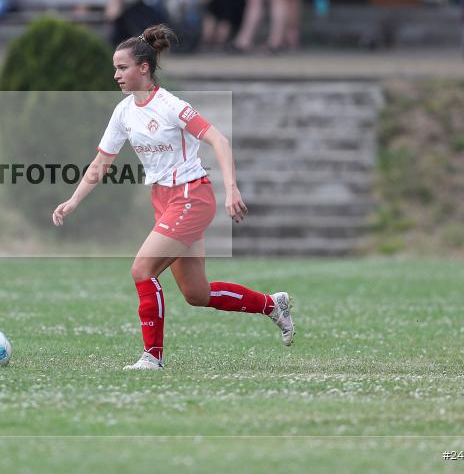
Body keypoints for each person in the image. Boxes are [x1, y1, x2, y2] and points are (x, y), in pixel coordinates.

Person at [52, 24, 294, 370]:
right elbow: (102, 161)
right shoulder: (123, 111)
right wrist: (73, 200)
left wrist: (232, 189)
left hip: (191, 197)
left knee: (142, 269)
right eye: (115, 68)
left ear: (144, 68)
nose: (115, 74)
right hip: (164, 200)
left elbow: (219, 140)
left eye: (122, 67)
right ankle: (272, 304)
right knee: (197, 294)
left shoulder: (170, 106)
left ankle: (152, 356)